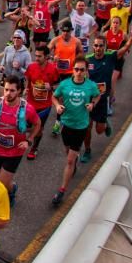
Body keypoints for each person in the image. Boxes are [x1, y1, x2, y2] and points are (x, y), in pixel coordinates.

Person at [0, 74, 40, 206]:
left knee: (0, 183)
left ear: (19, 91)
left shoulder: (27, 109)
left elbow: (38, 124)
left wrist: (29, 140)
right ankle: (13, 189)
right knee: (1, 180)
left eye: (12, 90)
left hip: (15, 152)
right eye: (6, 89)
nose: (8, 93)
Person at [50, 60, 101, 207]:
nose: (79, 72)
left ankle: (61, 190)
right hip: (66, 124)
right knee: (68, 152)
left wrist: (92, 104)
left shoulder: (90, 85)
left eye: (82, 70)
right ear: (73, 70)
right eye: (76, 69)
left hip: (81, 126)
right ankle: (73, 160)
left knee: (70, 160)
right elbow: (54, 96)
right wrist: (58, 105)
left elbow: (97, 95)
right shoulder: (65, 84)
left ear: (86, 71)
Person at [23, 46, 59, 160]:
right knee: (25, 126)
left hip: (44, 106)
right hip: (30, 104)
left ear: (47, 57)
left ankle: (34, 148)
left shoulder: (53, 69)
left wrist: (51, 87)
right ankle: (27, 138)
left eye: (39, 56)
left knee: (38, 128)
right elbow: (28, 80)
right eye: (36, 55)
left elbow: (58, 86)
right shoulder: (31, 67)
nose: (36, 58)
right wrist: (26, 89)